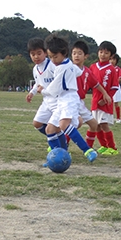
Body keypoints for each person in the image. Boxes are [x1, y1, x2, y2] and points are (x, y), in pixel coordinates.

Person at [42, 35, 98, 163]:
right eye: (50, 57)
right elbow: (78, 72)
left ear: (64, 53)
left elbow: (54, 88)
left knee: (63, 125)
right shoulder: (69, 64)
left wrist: (43, 91)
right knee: (50, 129)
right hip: (62, 100)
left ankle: (88, 151)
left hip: (69, 99)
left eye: (55, 56)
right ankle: (58, 156)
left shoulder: (62, 68)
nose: (53, 60)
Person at [72, 40, 111, 149]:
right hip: (69, 101)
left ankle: (88, 149)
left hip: (79, 102)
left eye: (79, 53)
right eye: (74, 53)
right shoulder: (68, 68)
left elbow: (96, 84)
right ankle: (61, 146)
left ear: (86, 56)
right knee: (72, 125)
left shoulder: (87, 71)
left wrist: (105, 94)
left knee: (94, 124)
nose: (76, 56)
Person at [26, 37, 58, 144]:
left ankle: (59, 144)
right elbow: (38, 83)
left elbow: (59, 81)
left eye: (39, 53)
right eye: (33, 54)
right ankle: (56, 139)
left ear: (45, 53)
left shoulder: (52, 65)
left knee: (56, 126)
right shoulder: (35, 69)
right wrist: (32, 92)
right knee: (37, 123)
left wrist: (47, 89)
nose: (36, 56)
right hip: (46, 101)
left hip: (58, 101)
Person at [90, 41, 120, 155]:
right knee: (96, 125)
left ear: (111, 55)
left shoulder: (111, 69)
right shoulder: (93, 67)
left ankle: (112, 147)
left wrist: (107, 99)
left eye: (106, 53)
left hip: (105, 103)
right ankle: (103, 145)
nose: (103, 55)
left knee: (104, 125)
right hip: (95, 101)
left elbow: (114, 87)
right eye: (101, 52)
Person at [110, 54, 121, 123]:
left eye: (113, 59)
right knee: (109, 103)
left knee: (116, 103)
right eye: (110, 59)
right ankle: (110, 117)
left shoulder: (117, 69)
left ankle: (118, 118)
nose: (111, 61)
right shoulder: (108, 68)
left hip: (115, 88)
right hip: (108, 87)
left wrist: (114, 82)